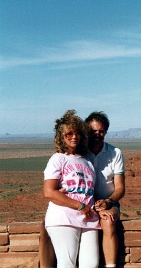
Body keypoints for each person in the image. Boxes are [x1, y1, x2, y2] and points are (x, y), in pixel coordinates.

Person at [43, 109, 100, 268]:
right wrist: (79, 205)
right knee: (67, 264)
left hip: (89, 218)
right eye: (69, 133)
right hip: (64, 218)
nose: (74, 137)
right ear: (61, 135)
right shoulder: (58, 159)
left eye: (77, 133)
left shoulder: (88, 158)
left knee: (91, 264)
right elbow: (49, 192)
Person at [85, 111, 125, 268]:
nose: (97, 134)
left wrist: (108, 202)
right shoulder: (81, 153)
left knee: (108, 221)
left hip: (110, 202)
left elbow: (120, 188)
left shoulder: (115, 153)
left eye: (101, 131)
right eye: (93, 131)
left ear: (105, 132)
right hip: (86, 202)